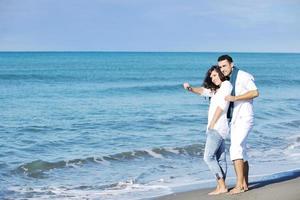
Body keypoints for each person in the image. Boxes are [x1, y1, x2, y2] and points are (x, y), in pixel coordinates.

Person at [183, 65, 232, 195]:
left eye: (215, 75)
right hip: (220, 128)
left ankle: (221, 186)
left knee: (208, 157)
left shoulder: (226, 84)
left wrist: (212, 124)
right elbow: (204, 91)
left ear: (221, 74)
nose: (213, 78)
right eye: (211, 76)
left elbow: (222, 106)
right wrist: (190, 89)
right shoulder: (218, 89)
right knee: (220, 158)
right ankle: (221, 186)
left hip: (216, 128)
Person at [217, 55, 259, 194]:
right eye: (221, 66)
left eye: (225, 65)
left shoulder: (243, 75)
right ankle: (245, 184)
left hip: (244, 117)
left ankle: (239, 185)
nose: (222, 69)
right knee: (242, 150)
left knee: (235, 149)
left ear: (232, 64)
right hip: (235, 119)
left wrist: (235, 98)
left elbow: (255, 92)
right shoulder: (228, 80)